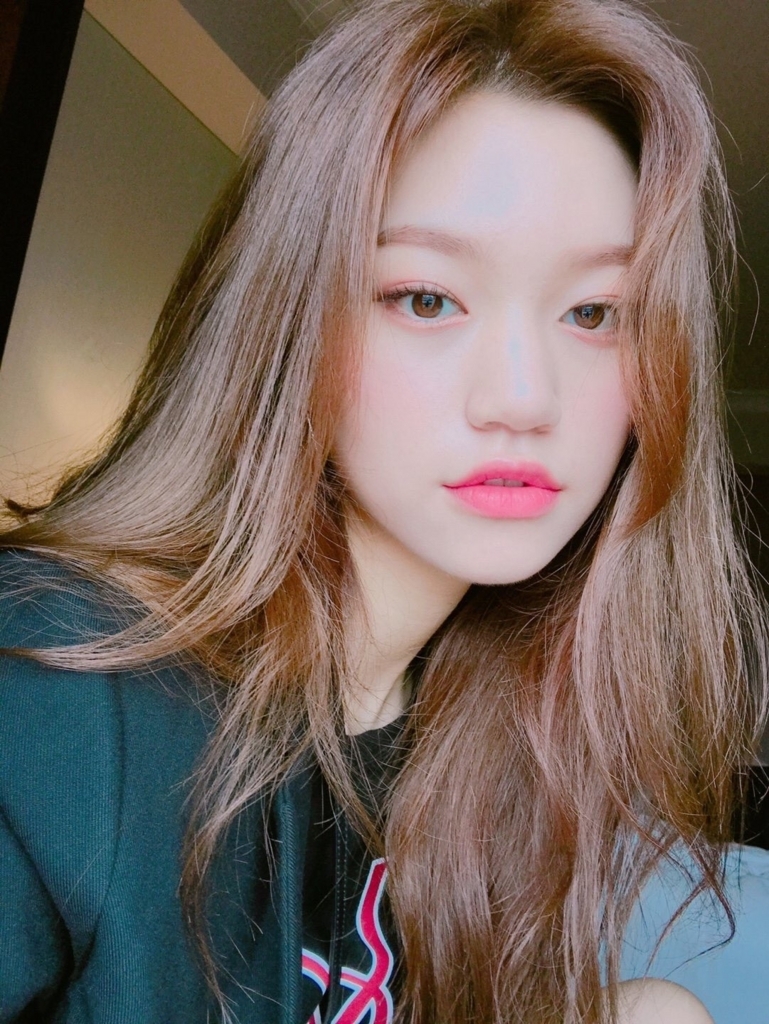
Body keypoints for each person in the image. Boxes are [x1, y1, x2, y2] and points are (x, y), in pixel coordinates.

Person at [0, 0, 767, 1022]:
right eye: (426, 298)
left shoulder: (502, 745)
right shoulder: (56, 684)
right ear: (288, 317)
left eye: (593, 313)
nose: (522, 397)